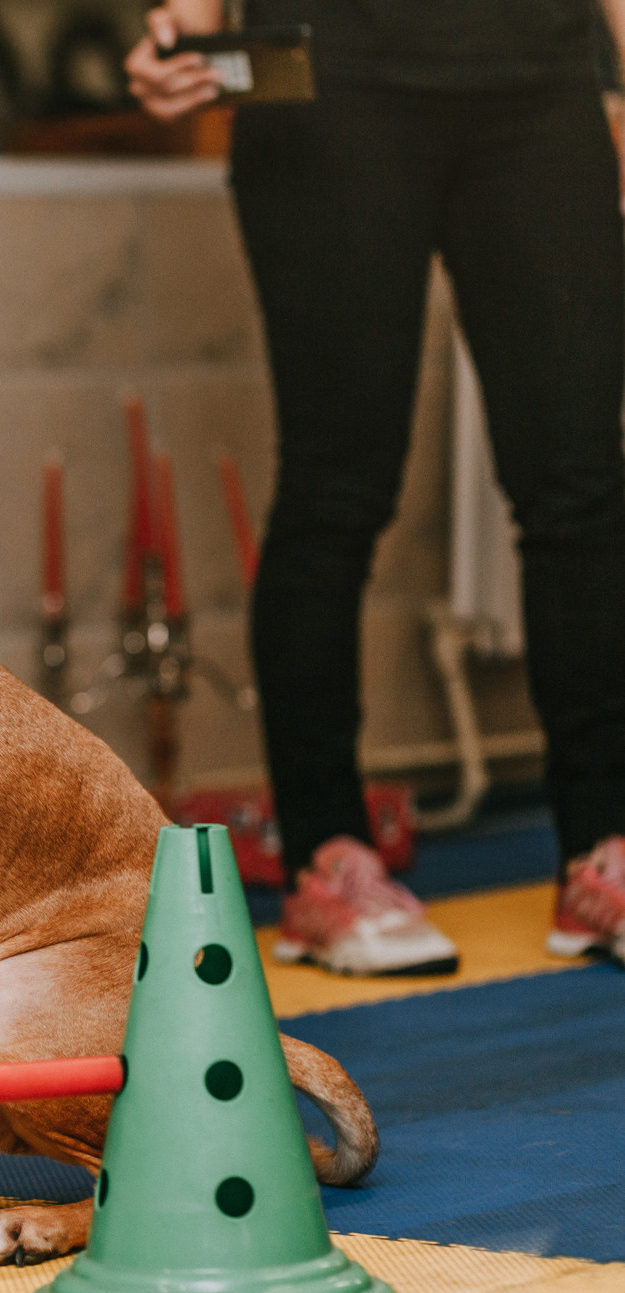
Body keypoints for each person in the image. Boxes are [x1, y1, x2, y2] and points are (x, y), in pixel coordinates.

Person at [128, 0, 625, 975]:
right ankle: (327, 860)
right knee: (337, 485)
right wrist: (187, 19)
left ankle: (601, 850)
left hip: (540, 85)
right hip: (330, 76)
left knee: (580, 483)